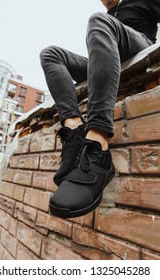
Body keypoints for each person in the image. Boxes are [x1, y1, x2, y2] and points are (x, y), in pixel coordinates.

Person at [40, 0, 160, 218]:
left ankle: (98, 141)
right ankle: (75, 130)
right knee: (51, 54)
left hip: (140, 45)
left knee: (99, 20)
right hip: (109, 55)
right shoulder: (109, 13)